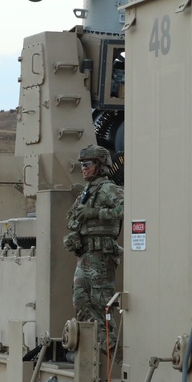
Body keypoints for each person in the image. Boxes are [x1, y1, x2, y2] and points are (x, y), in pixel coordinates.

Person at [62, 144, 124, 349]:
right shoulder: (87, 192)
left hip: (101, 255)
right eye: (81, 164)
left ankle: (110, 347)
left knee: (101, 303)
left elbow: (127, 207)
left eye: (87, 164)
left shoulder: (108, 189)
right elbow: (74, 217)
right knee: (81, 301)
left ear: (100, 165)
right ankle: (98, 344)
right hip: (86, 255)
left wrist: (95, 213)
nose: (83, 168)